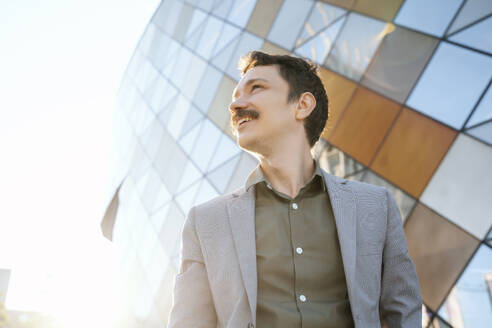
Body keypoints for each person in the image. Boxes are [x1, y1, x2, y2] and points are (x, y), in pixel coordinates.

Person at [168, 51, 422, 328]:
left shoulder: (376, 205)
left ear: (302, 105)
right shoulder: (205, 221)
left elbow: (403, 313)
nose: (236, 105)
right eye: (235, 97)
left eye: (256, 88)